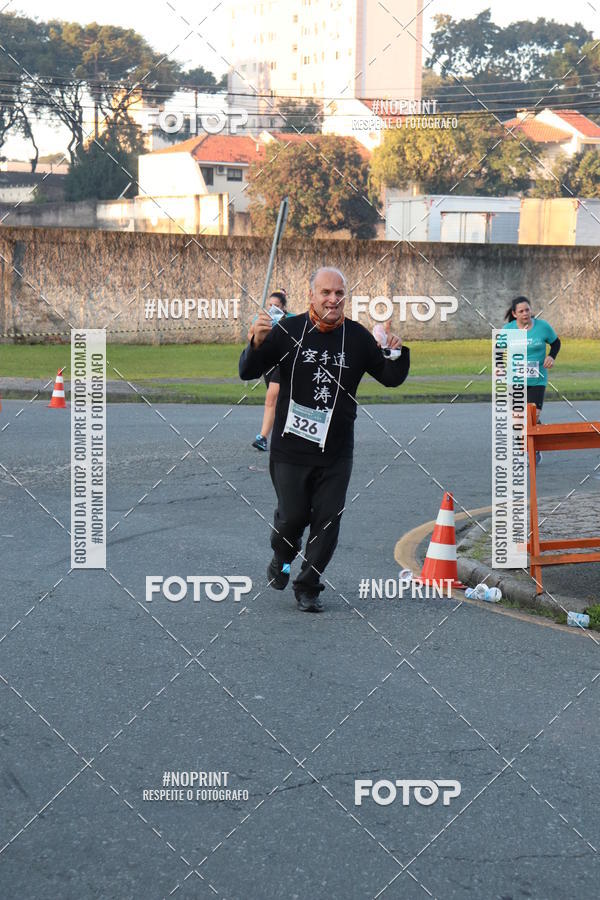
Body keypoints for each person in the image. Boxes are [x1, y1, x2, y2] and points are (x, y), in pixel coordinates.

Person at [239, 266, 410, 613]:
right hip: (290, 448)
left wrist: (397, 350)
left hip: (336, 451)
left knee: (328, 520)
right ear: (311, 295)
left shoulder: (358, 337)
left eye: (339, 293)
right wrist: (255, 343)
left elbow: (391, 377)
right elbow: (248, 370)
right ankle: (282, 559)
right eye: (326, 293)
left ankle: (309, 585)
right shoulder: (288, 331)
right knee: (291, 518)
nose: (333, 299)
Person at [502, 296, 561, 465]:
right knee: (519, 419)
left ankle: (535, 446)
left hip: (537, 380)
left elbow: (556, 343)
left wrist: (551, 356)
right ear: (514, 314)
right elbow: (499, 351)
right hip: (515, 380)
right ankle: (530, 447)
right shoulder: (508, 330)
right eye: (521, 311)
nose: (525, 313)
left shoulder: (542, 327)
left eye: (527, 310)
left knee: (532, 417)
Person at [252, 289, 289, 452]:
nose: (273, 308)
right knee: (277, 401)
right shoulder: (262, 319)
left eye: (277, 306)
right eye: (270, 305)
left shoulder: (292, 319)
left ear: (283, 307)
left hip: (284, 362)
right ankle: (287, 433)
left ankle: (263, 437)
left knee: (271, 397)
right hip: (268, 362)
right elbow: (252, 338)